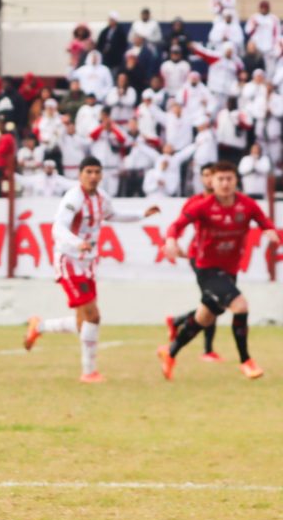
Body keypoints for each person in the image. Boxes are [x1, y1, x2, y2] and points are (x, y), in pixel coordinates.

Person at [24, 157, 159, 383]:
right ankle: (89, 372)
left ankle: (40, 326)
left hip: (87, 262)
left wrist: (141, 214)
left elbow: (113, 215)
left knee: (82, 322)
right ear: (80, 174)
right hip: (69, 260)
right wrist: (77, 243)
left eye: (97, 172)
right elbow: (58, 227)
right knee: (93, 316)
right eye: (89, 171)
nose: (93, 176)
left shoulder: (101, 197)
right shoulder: (73, 198)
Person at [159, 161, 279, 380]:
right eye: (220, 179)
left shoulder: (247, 205)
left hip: (230, 269)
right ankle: (246, 361)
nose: (225, 183)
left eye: (229, 179)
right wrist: (170, 241)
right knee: (240, 306)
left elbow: (265, 222)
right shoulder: (202, 206)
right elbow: (176, 226)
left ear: (236, 181)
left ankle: (170, 351)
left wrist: (270, 231)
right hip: (206, 269)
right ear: (211, 182)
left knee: (205, 316)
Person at [164, 163, 221, 362]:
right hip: (200, 257)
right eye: (205, 175)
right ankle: (207, 351)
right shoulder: (195, 202)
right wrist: (174, 243)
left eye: (212, 175)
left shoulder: (228, 201)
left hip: (220, 257)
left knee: (215, 301)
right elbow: (179, 225)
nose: (208, 179)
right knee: (213, 301)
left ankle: (177, 320)